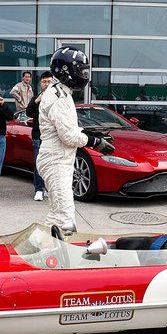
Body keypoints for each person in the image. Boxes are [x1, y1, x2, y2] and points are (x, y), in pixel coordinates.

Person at [36, 47, 114, 232]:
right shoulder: (59, 97)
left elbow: (68, 128)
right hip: (55, 160)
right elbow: (68, 136)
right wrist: (95, 143)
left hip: (58, 158)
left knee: (60, 213)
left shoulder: (61, 92)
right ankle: (43, 251)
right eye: (81, 70)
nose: (84, 74)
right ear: (66, 71)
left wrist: (91, 134)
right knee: (64, 216)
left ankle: (47, 250)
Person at [26, 71, 52, 201]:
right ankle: (38, 189)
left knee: (50, 165)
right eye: (44, 82)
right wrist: (36, 100)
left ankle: (48, 188)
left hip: (52, 137)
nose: (46, 84)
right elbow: (28, 112)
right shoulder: (36, 98)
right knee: (38, 164)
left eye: (49, 82)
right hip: (38, 136)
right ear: (40, 83)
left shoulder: (57, 99)